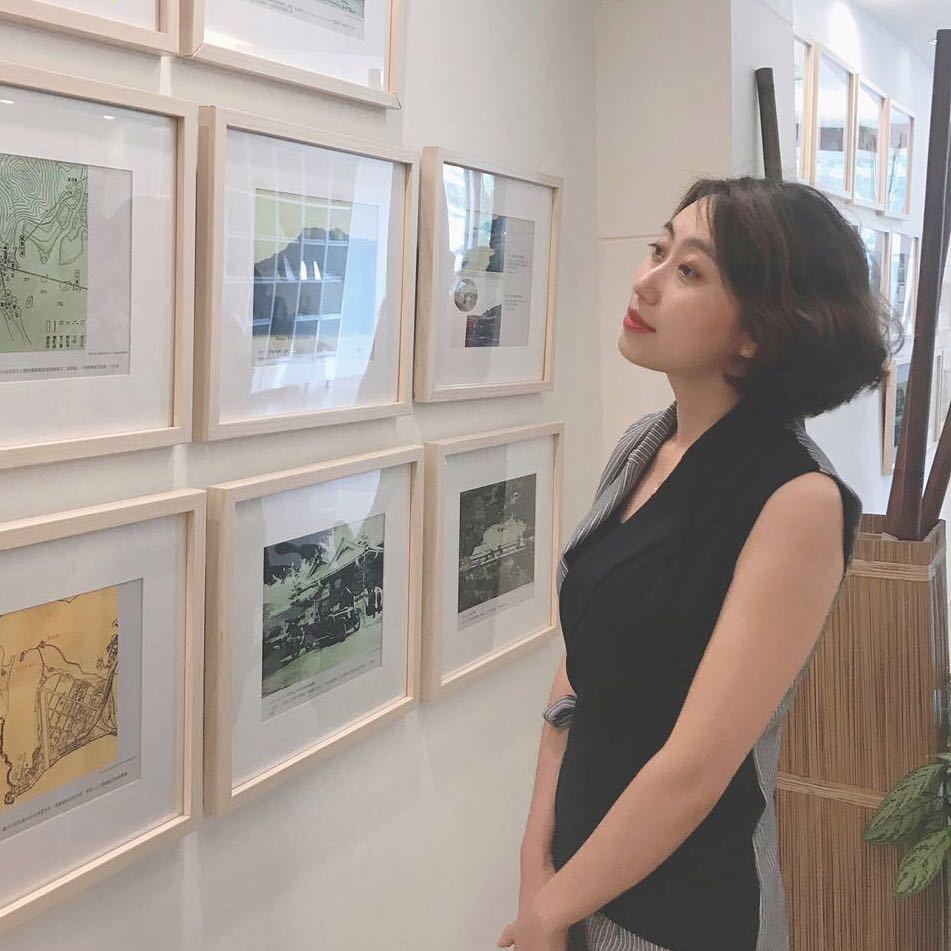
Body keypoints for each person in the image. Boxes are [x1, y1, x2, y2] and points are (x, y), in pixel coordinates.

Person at [496, 176, 901, 951]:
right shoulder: (643, 444)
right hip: (572, 873)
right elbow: (580, 662)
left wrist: (549, 911)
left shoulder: (797, 499)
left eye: (687, 270)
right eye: (657, 249)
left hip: (676, 911)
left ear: (759, 331)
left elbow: (695, 769)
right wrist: (534, 861)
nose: (644, 282)